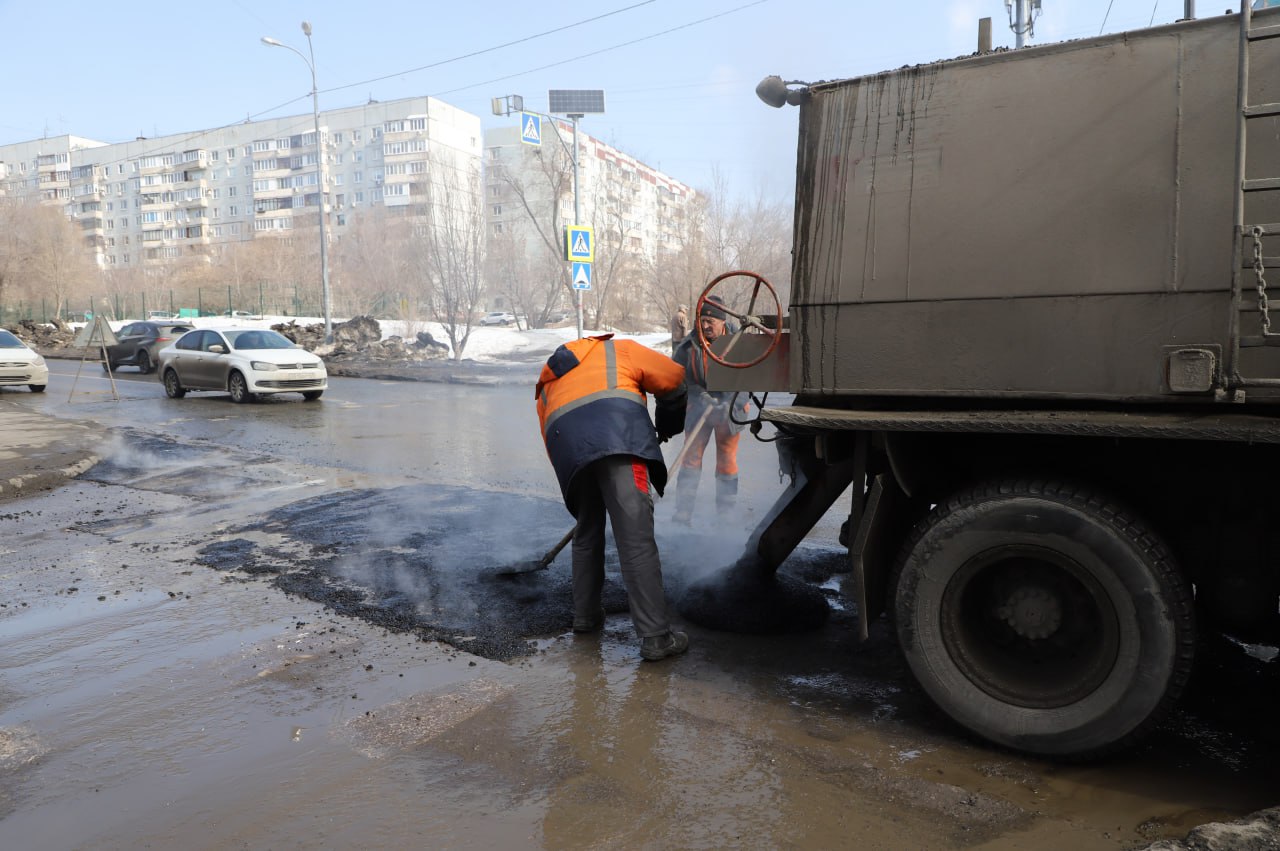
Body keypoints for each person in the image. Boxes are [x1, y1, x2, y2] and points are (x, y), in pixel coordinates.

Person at [535, 332, 691, 662]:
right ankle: (655, 637)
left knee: (587, 533)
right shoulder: (618, 350)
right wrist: (669, 421)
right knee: (634, 538)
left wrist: (584, 483)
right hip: (619, 444)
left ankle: (586, 618)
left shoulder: (547, 386)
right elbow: (674, 379)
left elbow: (553, 442)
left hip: (571, 458)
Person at [671, 296, 750, 524]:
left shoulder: (740, 344)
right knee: (691, 458)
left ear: (722, 322)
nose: (704, 326)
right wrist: (700, 395)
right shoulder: (688, 346)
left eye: (710, 321)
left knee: (726, 458)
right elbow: (679, 377)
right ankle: (683, 513)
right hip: (699, 408)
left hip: (730, 409)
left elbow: (749, 378)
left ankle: (724, 515)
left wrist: (731, 401)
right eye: (701, 320)